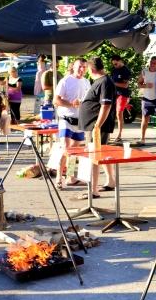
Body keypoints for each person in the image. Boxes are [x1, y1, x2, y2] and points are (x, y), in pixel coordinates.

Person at [78, 57, 117, 198]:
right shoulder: (101, 81)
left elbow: (106, 105)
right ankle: (111, 181)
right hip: (94, 125)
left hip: (96, 126)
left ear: (91, 69)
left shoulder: (104, 82)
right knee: (102, 153)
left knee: (93, 156)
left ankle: (93, 190)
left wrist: (97, 126)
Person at [54, 59, 89, 188]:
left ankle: (70, 177)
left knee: (74, 152)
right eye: (80, 66)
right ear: (73, 67)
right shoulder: (65, 81)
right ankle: (59, 176)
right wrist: (71, 104)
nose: (82, 69)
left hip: (79, 121)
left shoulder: (86, 82)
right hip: (66, 120)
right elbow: (56, 100)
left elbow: (88, 100)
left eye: (84, 67)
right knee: (65, 148)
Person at [109, 55, 131, 143]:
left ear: (120, 61)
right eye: (113, 64)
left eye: (116, 64)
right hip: (113, 94)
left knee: (119, 113)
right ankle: (108, 133)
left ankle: (119, 135)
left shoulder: (126, 70)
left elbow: (125, 85)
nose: (114, 66)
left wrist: (113, 83)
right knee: (110, 113)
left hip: (122, 94)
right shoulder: (114, 70)